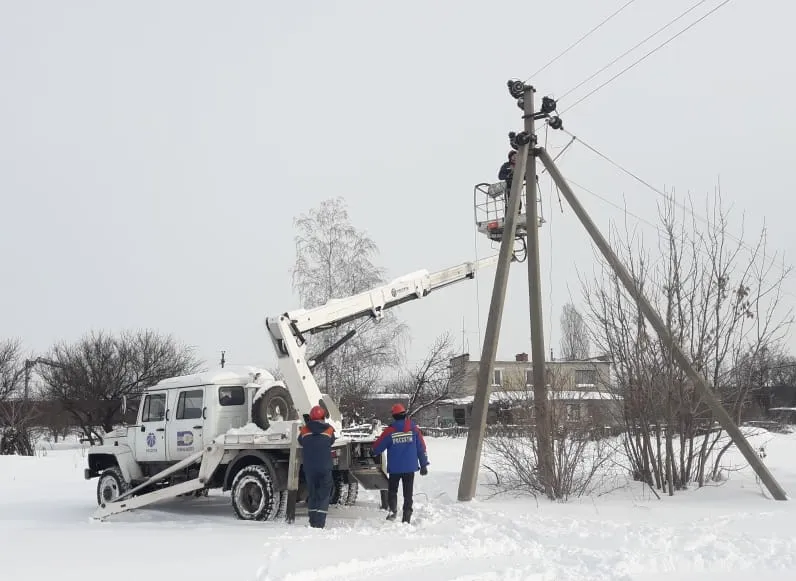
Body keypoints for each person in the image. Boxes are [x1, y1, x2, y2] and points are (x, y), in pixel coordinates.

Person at [371, 403, 429, 524]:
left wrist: (373, 451)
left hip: (395, 469)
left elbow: (378, 446)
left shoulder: (390, 431)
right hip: (409, 468)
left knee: (393, 491)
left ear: (394, 416)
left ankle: (393, 511)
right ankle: (406, 517)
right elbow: (421, 448)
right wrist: (423, 464)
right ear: (405, 415)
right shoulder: (414, 429)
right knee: (408, 494)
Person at [298, 405, 336, 529]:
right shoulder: (329, 430)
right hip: (324, 467)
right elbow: (331, 441)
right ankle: (319, 523)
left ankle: (313, 521)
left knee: (313, 494)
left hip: (309, 468)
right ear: (323, 417)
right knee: (324, 495)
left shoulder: (304, 430)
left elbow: (300, 441)